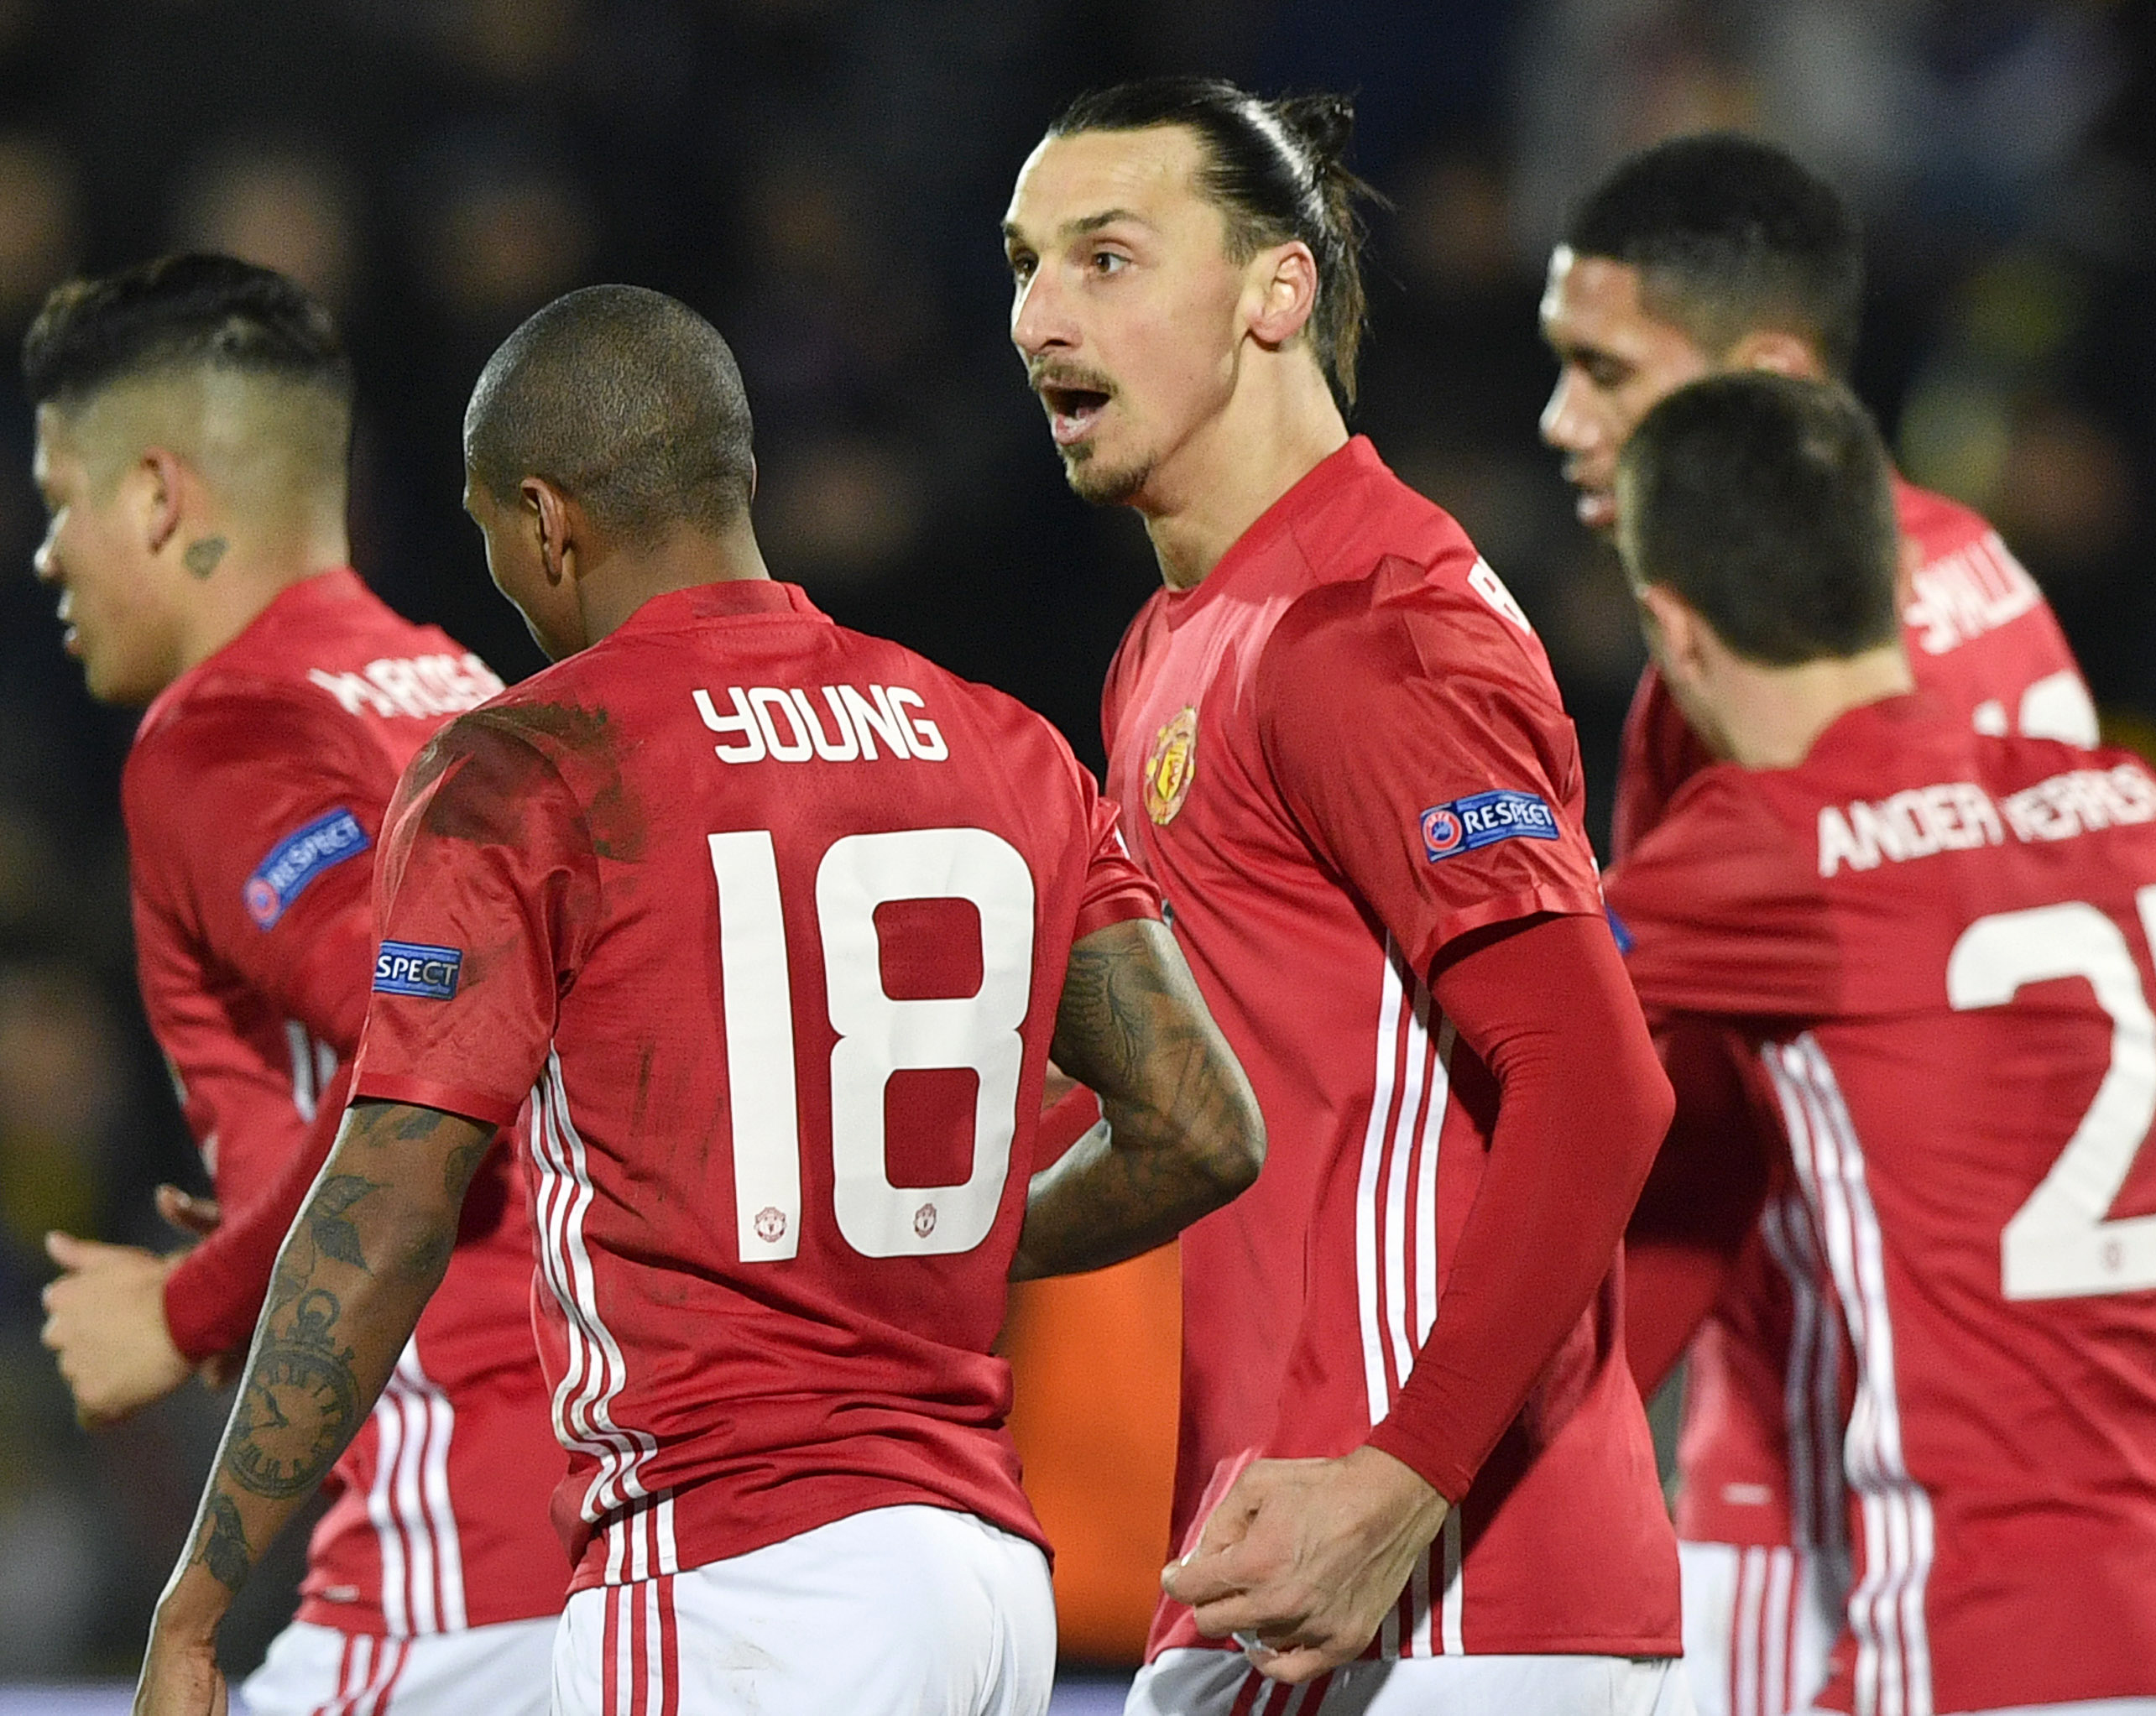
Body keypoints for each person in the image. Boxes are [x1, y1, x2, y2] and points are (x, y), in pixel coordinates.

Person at [129, 284, 1268, 1716]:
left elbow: (396, 1199)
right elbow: (1203, 1123)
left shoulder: (529, 764)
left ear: (547, 519)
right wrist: (931, 1262)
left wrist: (202, 1594)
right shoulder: (1009, 745)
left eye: (495, 545)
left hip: (742, 1575)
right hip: (985, 1582)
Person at [1602, 372, 2156, 1711]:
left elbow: (1503, 1047)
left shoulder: (1764, 854)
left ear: (1672, 624)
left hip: (1977, 1644)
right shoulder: (2143, 813)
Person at [1004, 78, 1684, 1713]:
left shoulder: (1370, 625)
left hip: (1453, 1599)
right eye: (1023, 263)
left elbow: (1597, 1082)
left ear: (1273, 291)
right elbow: (1196, 1109)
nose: (1038, 317)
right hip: (1283, 1580)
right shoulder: (1169, 649)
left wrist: (1404, 1478)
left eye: (1106, 259)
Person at [1536, 134, 2099, 1716]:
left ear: (1770, 372)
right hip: (2055, 1468)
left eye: (1602, 370)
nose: (1561, 422)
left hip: (1821, 1480)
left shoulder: (1747, 684)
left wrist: (1488, 1442)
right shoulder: (1977, 569)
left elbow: (1690, 1121)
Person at [25, 254, 572, 1715]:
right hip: (613, 1516)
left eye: (61, 501)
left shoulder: (226, 737)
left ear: (156, 497)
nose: (48, 555)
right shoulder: (458, 691)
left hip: (459, 1553)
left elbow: (437, 1055)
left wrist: (187, 1306)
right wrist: (275, 1261)